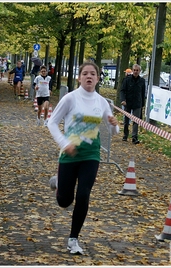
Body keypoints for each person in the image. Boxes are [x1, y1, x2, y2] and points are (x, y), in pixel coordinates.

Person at [47, 61, 119, 255]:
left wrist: (113, 124)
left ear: (97, 78)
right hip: (69, 154)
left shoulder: (102, 102)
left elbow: (114, 131)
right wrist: (64, 144)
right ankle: (59, 184)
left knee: (84, 194)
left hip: (91, 155)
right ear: (79, 77)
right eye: (85, 73)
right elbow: (51, 123)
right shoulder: (71, 99)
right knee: (65, 201)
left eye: (92, 74)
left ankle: (73, 239)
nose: (89, 76)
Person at [120, 64, 146, 144]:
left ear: (139, 71)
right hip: (128, 102)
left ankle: (134, 137)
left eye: (137, 70)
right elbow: (122, 90)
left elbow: (143, 93)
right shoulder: (127, 80)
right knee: (126, 120)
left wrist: (142, 104)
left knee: (136, 120)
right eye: (134, 70)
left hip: (137, 103)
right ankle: (125, 135)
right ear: (132, 70)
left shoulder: (142, 81)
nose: (135, 72)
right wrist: (123, 100)